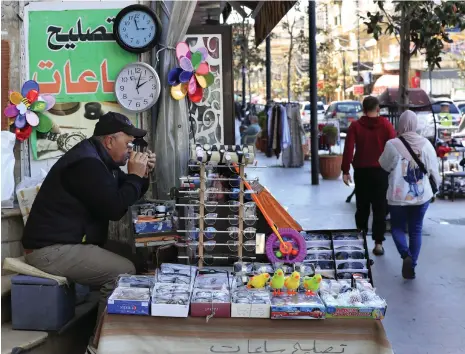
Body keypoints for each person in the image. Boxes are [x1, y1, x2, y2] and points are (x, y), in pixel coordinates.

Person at [21, 112, 155, 353]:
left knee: (137, 260)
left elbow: (126, 191)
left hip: (71, 243)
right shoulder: (86, 164)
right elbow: (114, 207)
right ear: (109, 141)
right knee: (122, 271)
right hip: (50, 250)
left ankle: (129, 337)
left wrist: (142, 175)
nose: (130, 149)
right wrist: (135, 175)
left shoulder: (102, 161)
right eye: (128, 144)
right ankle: (99, 344)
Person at [379, 110, 440, 279]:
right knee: (416, 230)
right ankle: (411, 265)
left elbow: (384, 165)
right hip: (421, 197)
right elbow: (434, 171)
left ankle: (405, 254)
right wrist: (436, 189)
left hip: (398, 197)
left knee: (397, 228)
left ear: (401, 124)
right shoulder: (426, 145)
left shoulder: (392, 144)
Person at [341, 96, 396, 256]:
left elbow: (349, 148)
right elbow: (393, 146)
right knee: (380, 208)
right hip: (381, 171)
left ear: (363, 109)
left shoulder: (355, 126)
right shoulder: (386, 125)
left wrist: (345, 171)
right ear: (377, 108)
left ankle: (361, 238)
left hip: (362, 172)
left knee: (362, 207)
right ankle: (378, 243)